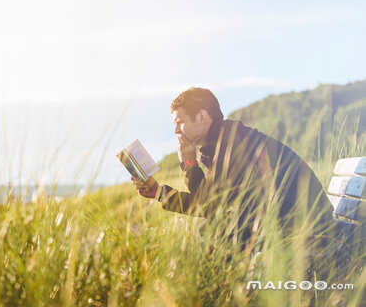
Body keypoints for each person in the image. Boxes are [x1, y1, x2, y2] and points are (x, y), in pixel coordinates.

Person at [131, 87, 348, 275]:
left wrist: (181, 171)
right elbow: (211, 202)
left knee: (212, 234)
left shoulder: (232, 145)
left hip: (306, 232)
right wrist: (172, 181)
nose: (176, 130)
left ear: (203, 117)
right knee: (213, 232)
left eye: (180, 122)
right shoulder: (223, 141)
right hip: (290, 224)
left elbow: (207, 205)